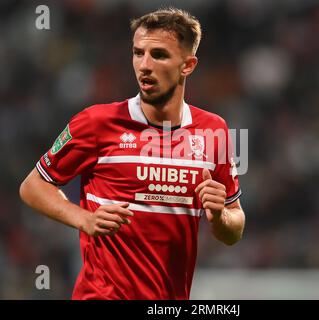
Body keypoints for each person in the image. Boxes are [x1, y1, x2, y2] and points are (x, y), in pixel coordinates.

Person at [19, 7, 245, 300]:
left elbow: (234, 229)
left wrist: (219, 217)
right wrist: (83, 218)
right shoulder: (96, 122)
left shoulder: (213, 130)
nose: (144, 65)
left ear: (188, 65)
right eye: (138, 53)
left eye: (159, 55)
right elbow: (32, 186)